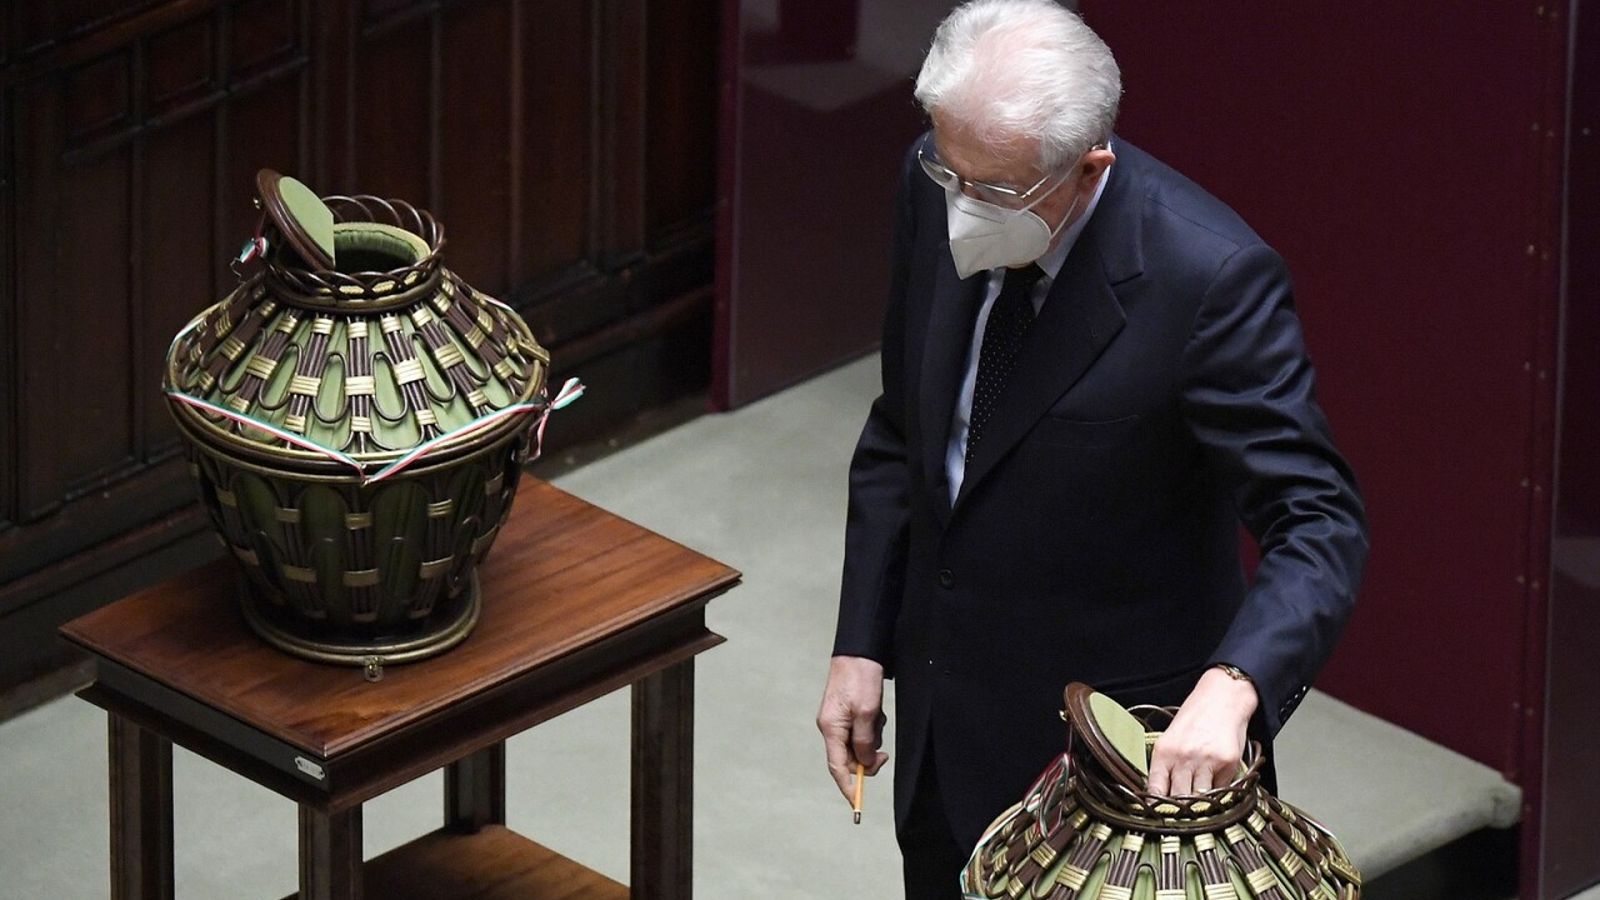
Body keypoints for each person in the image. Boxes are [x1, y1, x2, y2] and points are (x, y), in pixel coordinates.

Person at [814, 2, 1370, 898]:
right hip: (942, 732)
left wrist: (1234, 690)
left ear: (1088, 168)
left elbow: (1320, 522)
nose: (960, 209)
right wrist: (862, 644)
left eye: (992, 193)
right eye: (945, 168)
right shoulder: (934, 180)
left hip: (1125, 776)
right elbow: (902, 434)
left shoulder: (1208, 278)